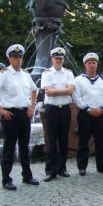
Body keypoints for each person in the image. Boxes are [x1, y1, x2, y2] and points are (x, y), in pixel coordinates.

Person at [0, 44, 39, 190]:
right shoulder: (4, 74)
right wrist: (1, 110)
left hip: (24, 114)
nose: (18, 60)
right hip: (10, 115)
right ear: (9, 58)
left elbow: (34, 90)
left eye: (20, 57)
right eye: (15, 57)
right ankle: (6, 179)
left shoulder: (26, 74)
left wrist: (32, 106)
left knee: (24, 146)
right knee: (9, 147)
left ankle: (27, 176)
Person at [73, 53, 103, 176]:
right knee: (83, 142)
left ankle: (102, 166)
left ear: (97, 64)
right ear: (85, 65)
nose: (92, 65)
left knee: (100, 141)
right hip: (85, 114)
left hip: (101, 114)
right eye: (89, 63)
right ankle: (82, 167)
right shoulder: (78, 80)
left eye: (94, 63)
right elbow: (76, 97)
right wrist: (88, 109)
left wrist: (101, 108)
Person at [41, 47, 75, 182]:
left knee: (63, 140)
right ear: (52, 59)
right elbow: (48, 92)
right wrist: (65, 90)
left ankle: (62, 168)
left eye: (61, 58)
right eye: (56, 58)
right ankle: (51, 171)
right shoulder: (46, 73)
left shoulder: (68, 73)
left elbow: (70, 91)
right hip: (51, 110)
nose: (58, 60)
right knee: (51, 141)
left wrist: (57, 90)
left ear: (63, 60)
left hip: (65, 109)